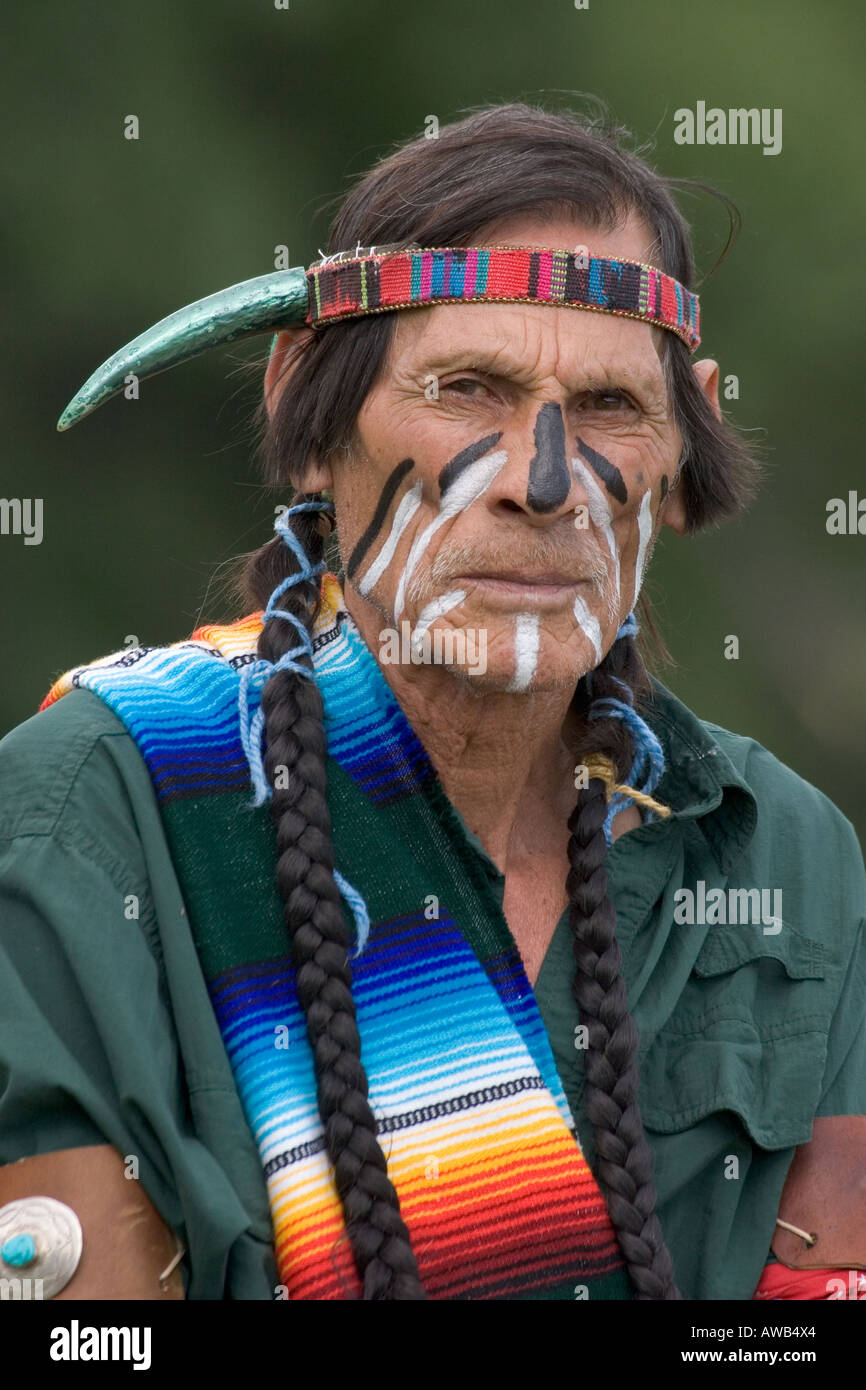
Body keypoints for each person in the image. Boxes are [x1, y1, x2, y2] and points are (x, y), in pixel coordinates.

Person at [1, 102, 864, 1302]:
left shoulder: (780, 851)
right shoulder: (98, 809)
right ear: (307, 402)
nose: (540, 482)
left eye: (610, 406)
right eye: (467, 387)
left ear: (684, 440)